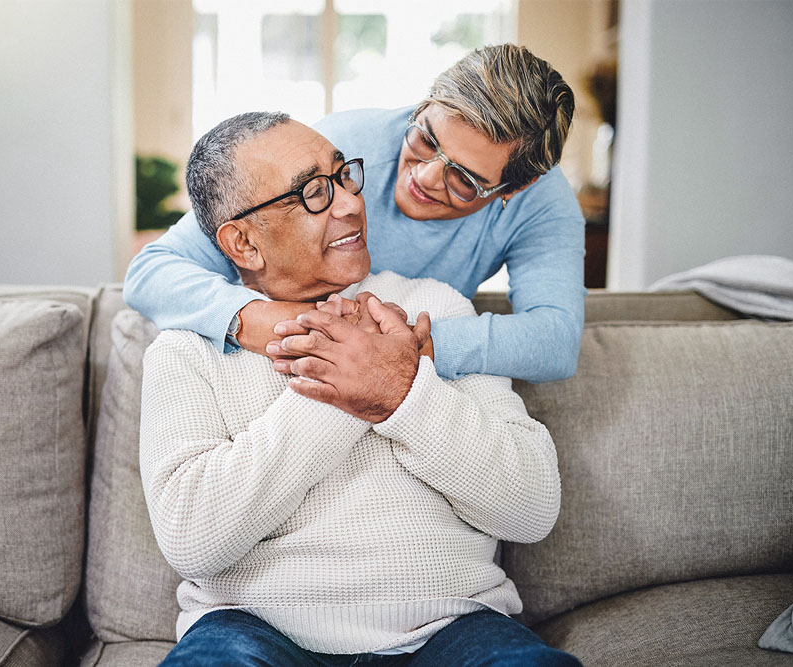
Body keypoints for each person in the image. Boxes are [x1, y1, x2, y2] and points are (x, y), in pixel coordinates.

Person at [140, 111, 581, 666]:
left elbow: (532, 508)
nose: (351, 203)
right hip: (254, 630)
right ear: (244, 244)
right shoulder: (188, 348)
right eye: (314, 193)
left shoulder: (435, 311)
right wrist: (347, 386)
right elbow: (191, 538)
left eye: (344, 176)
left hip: (451, 628)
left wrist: (401, 392)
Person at [125, 44, 585, 402]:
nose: (423, 176)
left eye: (464, 179)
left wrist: (396, 347)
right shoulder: (337, 149)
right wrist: (258, 319)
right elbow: (153, 270)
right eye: (425, 138)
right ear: (423, 105)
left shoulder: (543, 205)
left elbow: (555, 341)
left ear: (511, 190)